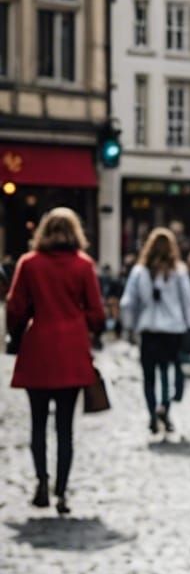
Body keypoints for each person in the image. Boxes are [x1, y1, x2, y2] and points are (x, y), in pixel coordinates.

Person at [5, 207, 105, 516]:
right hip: (71, 350)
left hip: (39, 348)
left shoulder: (30, 264)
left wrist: (17, 334)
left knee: (37, 423)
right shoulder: (83, 265)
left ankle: (41, 483)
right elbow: (97, 313)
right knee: (65, 427)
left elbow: (15, 307)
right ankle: (61, 491)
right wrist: (82, 322)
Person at [119, 227, 190, 438]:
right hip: (172, 329)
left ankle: (152, 412)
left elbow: (128, 302)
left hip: (149, 329)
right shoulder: (178, 271)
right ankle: (165, 406)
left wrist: (129, 326)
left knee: (149, 375)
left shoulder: (139, 271)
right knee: (167, 371)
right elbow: (187, 301)